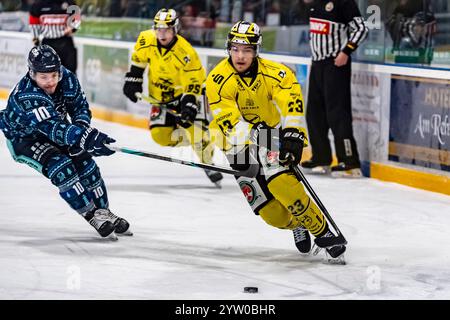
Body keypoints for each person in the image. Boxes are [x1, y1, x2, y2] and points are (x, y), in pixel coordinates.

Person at [205, 21, 346, 260]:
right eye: (236, 49)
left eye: (247, 49)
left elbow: (291, 106)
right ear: (229, 48)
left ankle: (322, 232)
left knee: (282, 184)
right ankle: (297, 224)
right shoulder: (217, 80)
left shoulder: (277, 73)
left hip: (269, 133)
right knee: (271, 214)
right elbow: (231, 125)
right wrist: (256, 135)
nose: (240, 56)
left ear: (256, 51)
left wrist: (292, 134)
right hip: (234, 145)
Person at [0, 45, 131, 240]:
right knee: (61, 167)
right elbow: (52, 127)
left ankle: (103, 212)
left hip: (61, 131)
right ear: (32, 74)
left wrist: (83, 130)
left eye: (54, 75)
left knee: (87, 165)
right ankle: (90, 214)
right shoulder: (27, 95)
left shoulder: (67, 78)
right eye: (44, 77)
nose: (51, 81)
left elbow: (80, 107)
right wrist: (83, 137)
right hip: (25, 139)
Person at [122, 8, 223, 187]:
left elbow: (193, 82)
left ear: (175, 29)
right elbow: (139, 61)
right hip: (159, 98)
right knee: (160, 136)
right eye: (159, 29)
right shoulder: (146, 39)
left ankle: (205, 155)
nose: (162, 34)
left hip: (183, 95)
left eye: (166, 29)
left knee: (193, 129)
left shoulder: (186, 52)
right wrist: (133, 79)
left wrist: (189, 103)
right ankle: (198, 139)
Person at [300, 0, 368, 177]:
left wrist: (346, 51)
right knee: (314, 114)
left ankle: (350, 162)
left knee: (337, 114)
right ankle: (321, 158)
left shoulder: (343, 2)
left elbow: (361, 29)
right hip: (317, 64)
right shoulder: (314, 4)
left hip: (336, 64)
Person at [29, 0, 80, 73]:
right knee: (48, 73)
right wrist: (36, 42)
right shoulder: (38, 5)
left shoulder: (69, 2)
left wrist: (72, 28)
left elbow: (76, 19)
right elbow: (33, 24)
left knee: (70, 73)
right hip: (48, 43)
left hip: (65, 42)